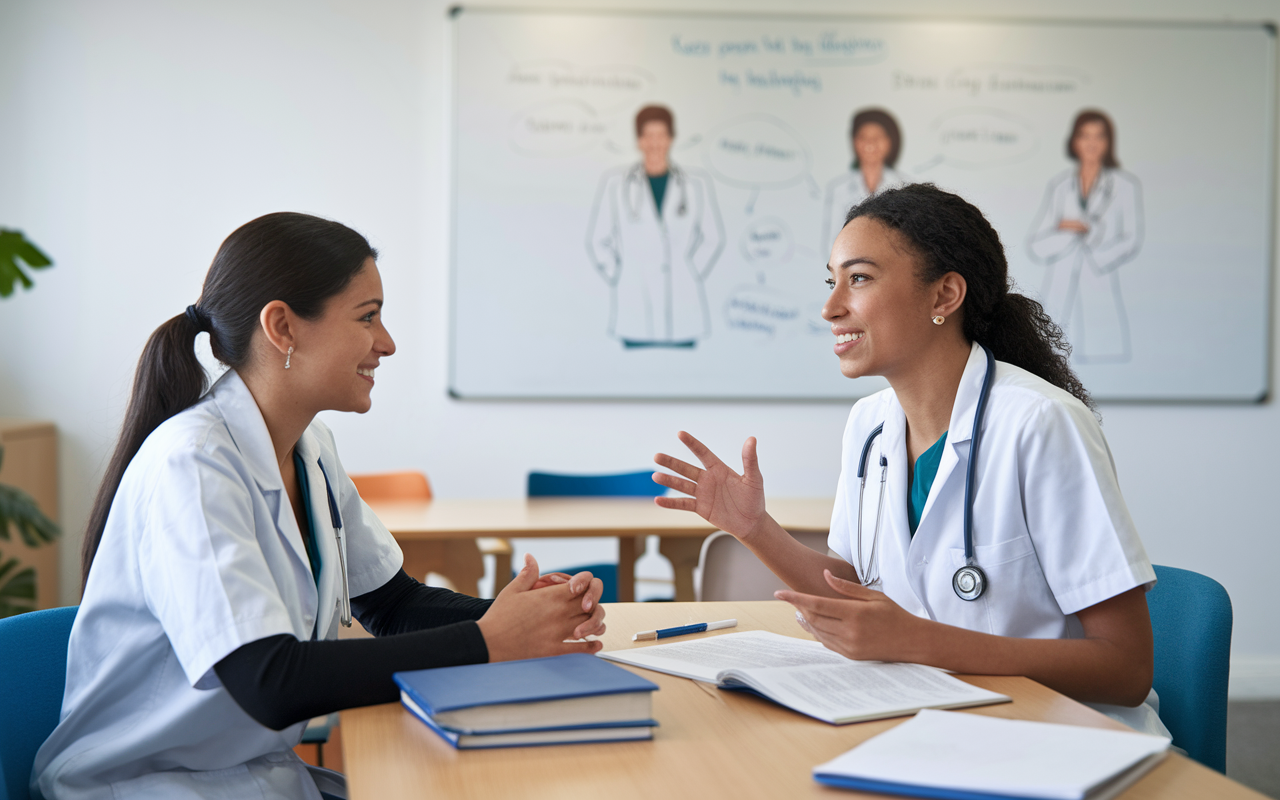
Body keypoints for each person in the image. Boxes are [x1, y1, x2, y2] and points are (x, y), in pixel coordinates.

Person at [32, 213, 607, 800]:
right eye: (367, 317)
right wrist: (488, 642)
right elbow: (267, 681)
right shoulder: (194, 464)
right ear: (282, 326)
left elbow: (394, 604)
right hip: (146, 786)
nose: (386, 343)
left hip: (246, 776)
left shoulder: (309, 449)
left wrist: (529, 616)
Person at [654, 184, 1168, 736]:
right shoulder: (869, 425)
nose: (830, 308)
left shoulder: (1041, 423)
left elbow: (1125, 668)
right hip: (929, 719)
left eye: (859, 278)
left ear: (944, 296)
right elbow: (854, 595)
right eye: (832, 281)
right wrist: (754, 528)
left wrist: (918, 641)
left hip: (1058, 736)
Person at [586, 104, 725, 348]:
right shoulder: (616, 183)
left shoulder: (696, 184)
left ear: (671, 139)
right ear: (638, 140)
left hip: (683, 305)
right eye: (648, 136)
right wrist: (619, 274)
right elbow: (598, 239)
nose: (654, 143)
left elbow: (712, 237)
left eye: (661, 135)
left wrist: (690, 272)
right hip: (634, 305)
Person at [1027, 109, 1143, 363]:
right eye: (1084, 135)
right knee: (1051, 357)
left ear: (1109, 142)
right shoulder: (1059, 185)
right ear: (1074, 141)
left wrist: (1095, 244)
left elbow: (1131, 238)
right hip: (1060, 280)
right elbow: (1037, 244)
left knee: (1102, 359)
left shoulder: (1126, 186)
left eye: (1099, 136)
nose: (1091, 143)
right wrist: (1067, 230)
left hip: (1097, 279)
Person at [821, 108, 909, 255]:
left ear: (889, 142)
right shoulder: (838, 189)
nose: (870, 143)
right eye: (863, 137)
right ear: (854, 142)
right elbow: (833, 243)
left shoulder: (905, 185)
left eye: (877, 137)